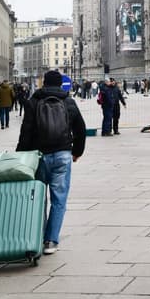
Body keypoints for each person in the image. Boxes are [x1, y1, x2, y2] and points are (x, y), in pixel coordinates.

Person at [17, 70, 87, 255]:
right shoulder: (68, 102)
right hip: (63, 155)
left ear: (44, 83)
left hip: (38, 156)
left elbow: (26, 132)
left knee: (38, 197)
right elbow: (81, 128)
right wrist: (77, 152)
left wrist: (21, 156)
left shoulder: (34, 101)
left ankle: (37, 237)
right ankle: (51, 241)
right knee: (59, 200)